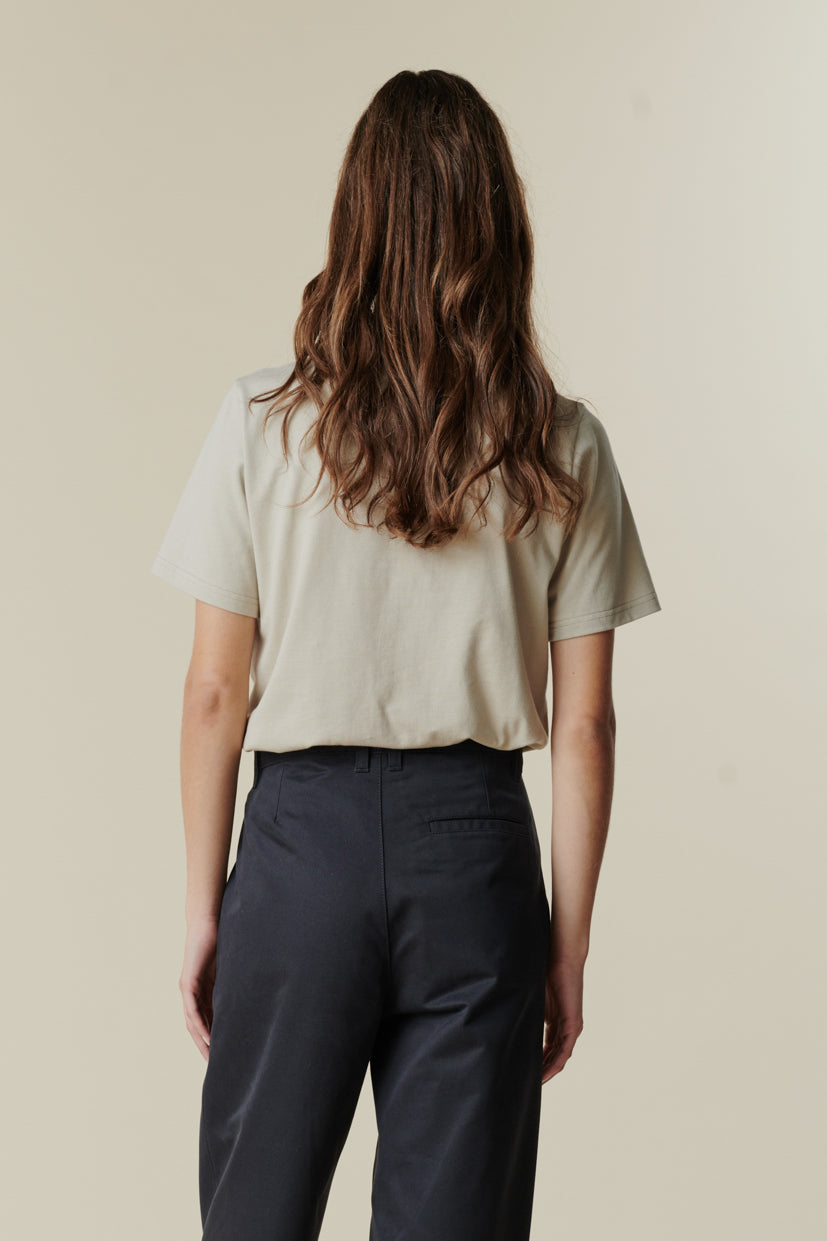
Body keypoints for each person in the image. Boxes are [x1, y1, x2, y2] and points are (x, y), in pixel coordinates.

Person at [151, 69, 662, 1241]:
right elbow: (583, 722)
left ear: (356, 219)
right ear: (499, 228)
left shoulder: (262, 424)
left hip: (298, 853)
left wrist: (204, 905)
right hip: (475, 862)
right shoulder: (561, 446)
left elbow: (214, 691)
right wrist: (565, 944)